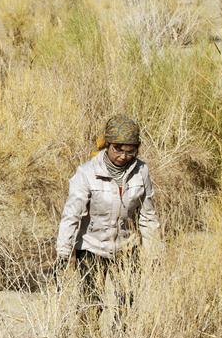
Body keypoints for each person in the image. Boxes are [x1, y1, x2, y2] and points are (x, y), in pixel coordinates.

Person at [55, 115, 161, 323]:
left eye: (130, 150)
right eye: (118, 149)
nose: (124, 155)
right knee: (91, 307)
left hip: (126, 248)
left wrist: (154, 252)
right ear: (107, 144)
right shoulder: (86, 173)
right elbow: (72, 215)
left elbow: (148, 215)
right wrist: (63, 253)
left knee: (127, 307)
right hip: (92, 248)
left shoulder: (142, 172)